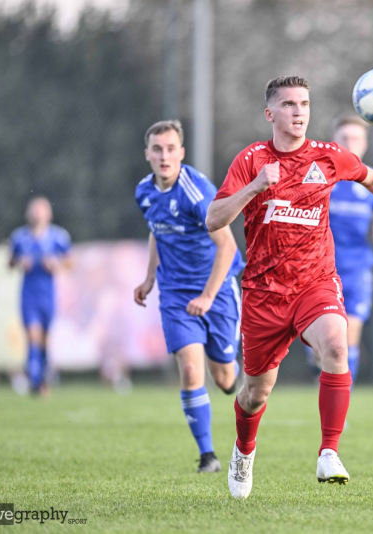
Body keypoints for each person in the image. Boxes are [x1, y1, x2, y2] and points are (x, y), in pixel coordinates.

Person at [206, 76, 373, 499]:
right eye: (289, 104)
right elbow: (214, 219)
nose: (299, 112)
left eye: (305, 104)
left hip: (315, 282)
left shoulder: (328, 157)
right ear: (270, 113)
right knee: (256, 393)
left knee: (337, 343)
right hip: (263, 292)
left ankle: (329, 450)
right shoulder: (251, 159)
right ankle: (244, 449)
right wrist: (256, 187)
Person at [134, 120, 245, 474]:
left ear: (181, 153)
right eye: (157, 149)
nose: (164, 156)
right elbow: (157, 231)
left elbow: (227, 246)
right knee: (191, 368)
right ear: (147, 154)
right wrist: (150, 276)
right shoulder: (143, 191)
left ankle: (232, 370)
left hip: (217, 290)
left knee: (226, 379)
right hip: (176, 295)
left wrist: (209, 296)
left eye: (171, 149)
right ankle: (208, 456)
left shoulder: (197, 193)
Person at [305, 114, 373, 381]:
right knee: (326, 344)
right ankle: (314, 353)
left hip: (357, 269)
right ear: (335, 142)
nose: (350, 143)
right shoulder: (319, 177)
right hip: (318, 270)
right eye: (345, 138)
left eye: (356, 138)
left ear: (365, 143)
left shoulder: (371, 181)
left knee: (347, 340)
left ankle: (341, 407)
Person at [9, 197, 72, 397]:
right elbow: (11, 262)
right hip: (29, 293)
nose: (37, 214)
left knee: (44, 338)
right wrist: (20, 262)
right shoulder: (19, 237)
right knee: (32, 335)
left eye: (41, 210)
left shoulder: (58, 236)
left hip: (48, 293)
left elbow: (70, 262)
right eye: (34, 210)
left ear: (48, 214)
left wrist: (56, 264)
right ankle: (35, 380)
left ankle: (42, 377)